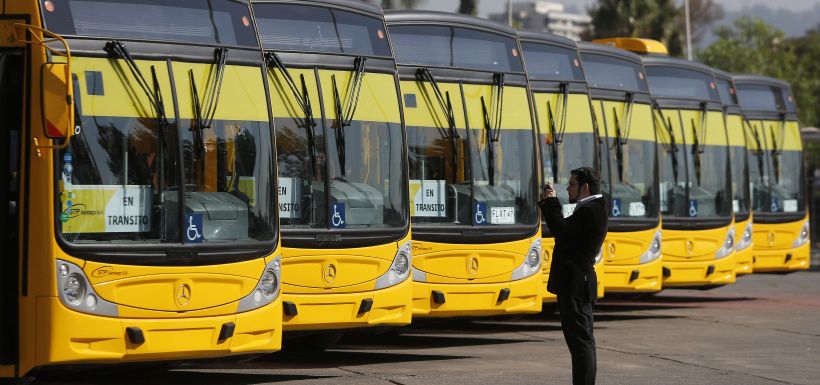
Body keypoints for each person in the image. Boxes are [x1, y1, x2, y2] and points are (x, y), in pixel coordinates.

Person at [540, 167, 608, 385]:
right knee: (582, 343)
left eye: (571, 184)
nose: (567, 188)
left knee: (581, 344)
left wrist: (551, 202)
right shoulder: (591, 208)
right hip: (577, 283)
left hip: (576, 284)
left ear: (585, 187)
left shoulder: (591, 211)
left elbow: (561, 230)